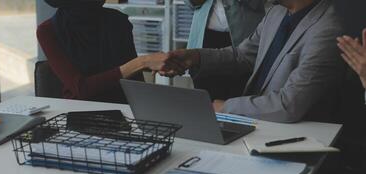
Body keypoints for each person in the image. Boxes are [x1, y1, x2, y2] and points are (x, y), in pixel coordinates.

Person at [150, 0, 345, 123]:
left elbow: (289, 105)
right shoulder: (276, 13)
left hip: (288, 135)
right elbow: (242, 56)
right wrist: (194, 57)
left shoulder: (328, 28)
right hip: (255, 124)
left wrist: (223, 108)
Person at [37, 0, 166, 103]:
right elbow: (81, 89)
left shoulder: (117, 20)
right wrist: (142, 62)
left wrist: (160, 63)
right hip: (80, 112)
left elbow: (134, 81)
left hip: (124, 109)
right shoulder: (48, 31)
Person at [184, 0, 266, 100]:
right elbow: (191, 4)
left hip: (244, 39)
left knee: (241, 98)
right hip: (205, 37)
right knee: (206, 100)